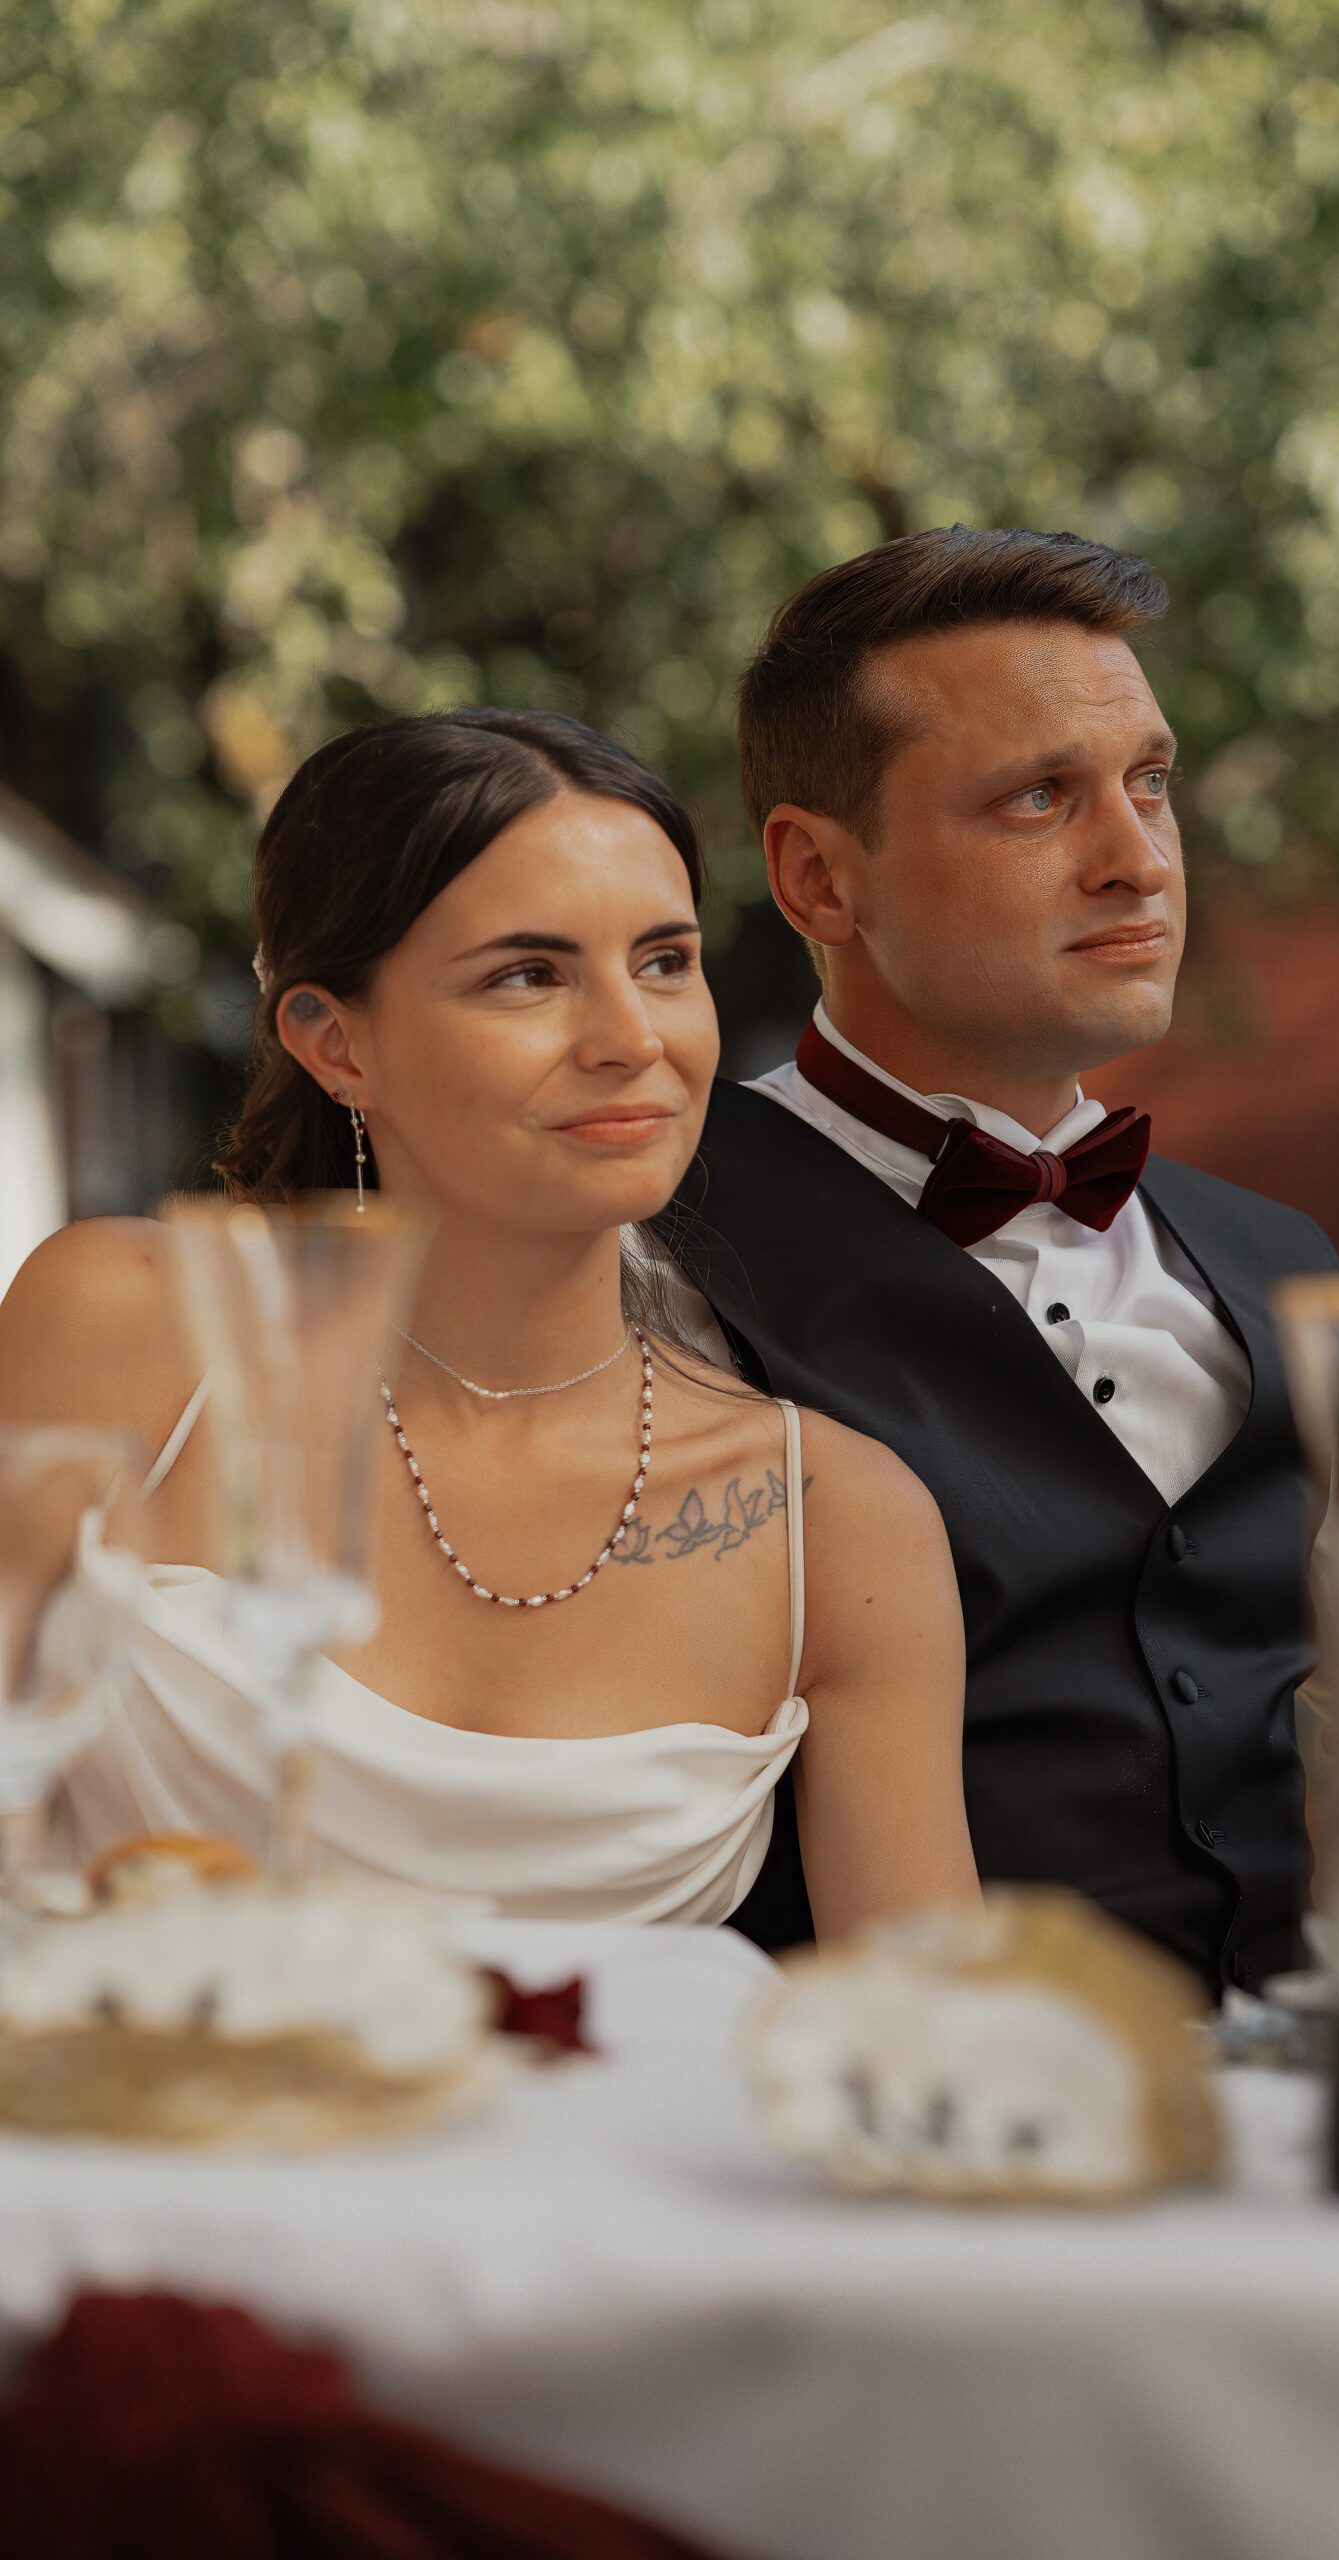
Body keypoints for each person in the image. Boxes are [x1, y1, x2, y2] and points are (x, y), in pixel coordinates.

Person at [0, 710, 978, 1937]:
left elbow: (927, 2040)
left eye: (666, 961)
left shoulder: (834, 1519)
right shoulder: (133, 1327)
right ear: (334, 1041)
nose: (633, 1041)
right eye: (528, 975)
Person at [653, 528, 1339, 1996]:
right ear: (818, 881)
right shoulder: (646, 1263)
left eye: (1147, 784)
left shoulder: (1295, 1274)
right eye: (1039, 798)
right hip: (910, 2128)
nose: (1136, 859)